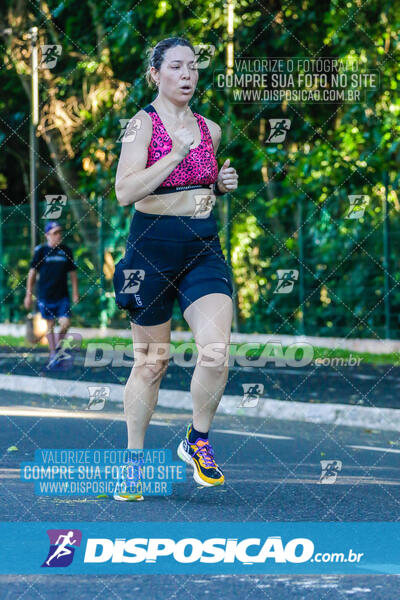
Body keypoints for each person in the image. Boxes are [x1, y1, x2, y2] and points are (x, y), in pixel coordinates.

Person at [112, 37, 238, 501]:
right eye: (177, 67)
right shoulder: (139, 126)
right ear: (156, 75)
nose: (187, 75)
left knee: (216, 351)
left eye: (193, 68)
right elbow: (126, 192)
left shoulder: (211, 129)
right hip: (150, 252)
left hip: (203, 248)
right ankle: (134, 464)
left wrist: (220, 186)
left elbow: (199, 188)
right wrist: (174, 155)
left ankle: (197, 439)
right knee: (151, 365)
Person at [24, 221, 79, 370]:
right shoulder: (41, 251)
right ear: (47, 235)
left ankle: (58, 345)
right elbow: (32, 273)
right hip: (45, 296)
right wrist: (28, 294)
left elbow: (73, 273)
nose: (58, 235)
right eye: (54, 233)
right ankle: (53, 353)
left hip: (62, 297)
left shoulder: (66, 250)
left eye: (59, 232)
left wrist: (75, 292)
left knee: (65, 324)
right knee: (50, 326)